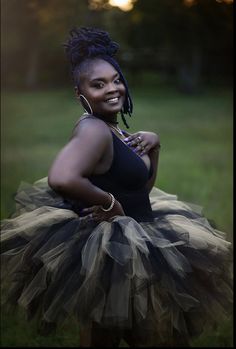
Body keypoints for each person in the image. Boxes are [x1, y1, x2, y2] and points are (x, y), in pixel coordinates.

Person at [1, 27, 232, 347]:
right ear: (79, 93)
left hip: (142, 238)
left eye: (116, 79)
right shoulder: (93, 130)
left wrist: (154, 147)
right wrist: (109, 203)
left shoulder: (113, 129)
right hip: (114, 249)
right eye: (98, 84)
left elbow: (143, 188)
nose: (113, 89)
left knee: (123, 334)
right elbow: (62, 177)